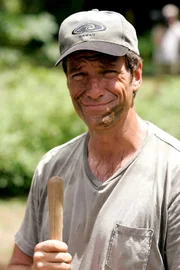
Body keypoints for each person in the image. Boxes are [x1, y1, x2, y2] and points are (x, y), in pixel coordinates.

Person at [7, 9, 180, 270]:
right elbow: (18, 263)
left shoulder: (172, 173)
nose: (94, 91)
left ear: (136, 75)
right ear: (67, 82)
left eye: (108, 71)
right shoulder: (52, 167)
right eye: (79, 74)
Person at [152, 4, 180, 75]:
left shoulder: (178, 27)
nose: (169, 19)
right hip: (160, 59)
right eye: (167, 17)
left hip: (174, 59)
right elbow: (156, 42)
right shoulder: (159, 28)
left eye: (171, 17)